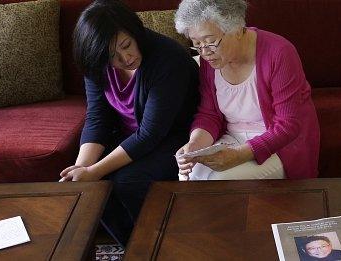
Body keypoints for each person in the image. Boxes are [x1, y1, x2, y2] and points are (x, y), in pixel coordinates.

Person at [59, 0, 199, 245]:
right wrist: (81, 169)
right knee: (83, 185)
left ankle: (163, 244)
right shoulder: (96, 64)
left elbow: (150, 134)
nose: (125, 58)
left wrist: (94, 171)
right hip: (129, 135)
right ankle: (135, 247)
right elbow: (97, 118)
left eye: (126, 45)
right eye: (112, 56)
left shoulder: (168, 59)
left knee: (126, 182)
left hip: (174, 135)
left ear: (135, 32)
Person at [174, 0, 320, 181]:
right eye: (196, 43)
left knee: (217, 184)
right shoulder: (209, 58)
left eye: (211, 41)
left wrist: (238, 156)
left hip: (280, 146)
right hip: (231, 138)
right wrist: (194, 146)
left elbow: (288, 125)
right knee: (190, 176)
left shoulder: (280, 52)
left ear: (236, 29)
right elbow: (208, 114)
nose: (204, 52)